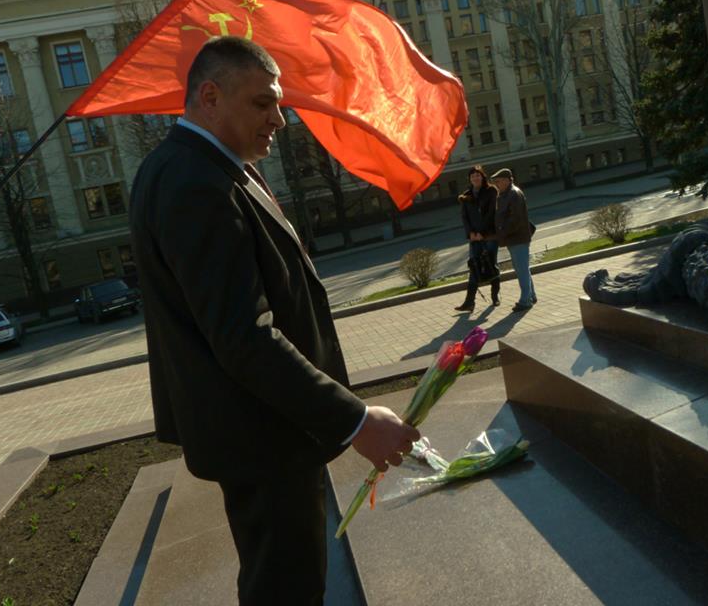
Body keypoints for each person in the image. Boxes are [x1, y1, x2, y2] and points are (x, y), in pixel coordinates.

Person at [128, 37, 419, 605]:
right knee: (286, 589)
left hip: (258, 428)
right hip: (263, 435)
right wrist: (356, 421)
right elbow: (244, 336)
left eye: (278, 104)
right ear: (210, 97)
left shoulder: (194, 167)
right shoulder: (197, 183)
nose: (279, 120)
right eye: (262, 103)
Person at [454, 165, 501, 311]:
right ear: (470, 179)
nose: (475, 178)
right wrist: (471, 233)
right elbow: (464, 217)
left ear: (482, 177)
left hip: (489, 236)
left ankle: (495, 296)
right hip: (474, 238)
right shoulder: (466, 195)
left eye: (478, 175)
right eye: (472, 176)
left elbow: (491, 213)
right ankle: (469, 302)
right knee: (474, 267)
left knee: (491, 265)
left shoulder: (491, 191)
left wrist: (483, 232)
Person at [491, 168, 537, 312]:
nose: (496, 184)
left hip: (517, 238)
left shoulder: (513, 194)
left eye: (498, 181)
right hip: (515, 238)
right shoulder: (507, 194)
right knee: (522, 269)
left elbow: (515, 220)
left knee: (521, 270)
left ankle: (525, 301)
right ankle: (531, 296)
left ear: (506, 180)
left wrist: (502, 232)